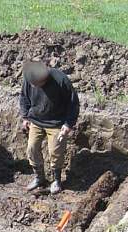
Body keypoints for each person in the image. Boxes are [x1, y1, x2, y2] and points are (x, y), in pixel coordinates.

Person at [19, 61, 80, 194]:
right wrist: (25, 117)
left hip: (57, 123)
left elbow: (73, 103)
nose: (34, 86)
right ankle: (39, 177)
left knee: (55, 152)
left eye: (37, 85)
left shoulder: (61, 80)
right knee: (32, 148)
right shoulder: (30, 79)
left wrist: (68, 124)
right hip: (36, 120)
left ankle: (56, 180)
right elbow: (24, 97)